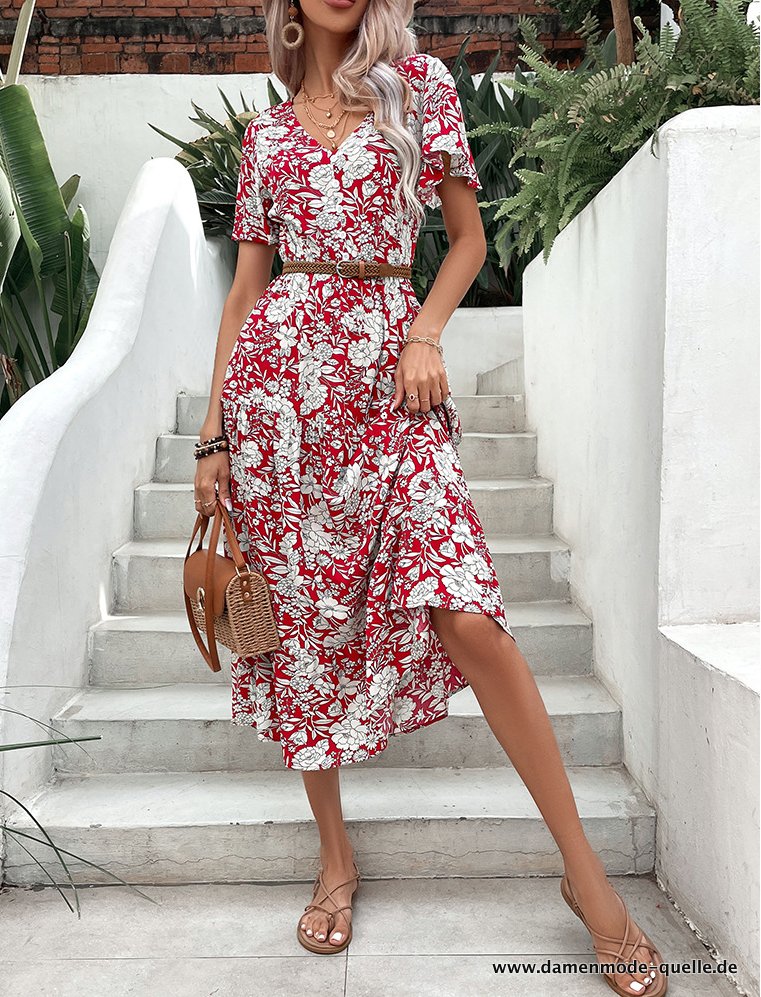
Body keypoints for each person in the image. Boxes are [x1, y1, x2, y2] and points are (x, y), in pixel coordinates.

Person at [192, 0, 667, 992]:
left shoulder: (418, 90)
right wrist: (215, 433)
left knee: (467, 612)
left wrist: (424, 332)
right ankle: (334, 859)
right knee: (296, 634)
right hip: (278, 408)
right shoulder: (266, 135)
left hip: (392, 383)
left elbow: (465, 242)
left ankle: (585, 876)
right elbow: (244, 291)